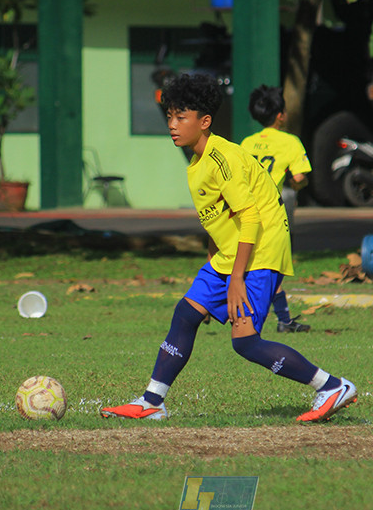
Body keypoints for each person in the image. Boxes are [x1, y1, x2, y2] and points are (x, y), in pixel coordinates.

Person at [100, 73, 356, 422]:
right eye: (170, 116)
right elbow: (217, 220)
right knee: (186, 313)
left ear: (204, 122)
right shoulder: (197, 163)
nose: (172, 125)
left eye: (181, 117)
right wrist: (213, 266)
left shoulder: (223, 158)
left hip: (261, 250)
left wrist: (235, 279)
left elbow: (250, 217)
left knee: (245, 342)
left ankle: (331, 386)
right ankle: (151, 402)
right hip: (231, 253)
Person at [240, 85, 313, 333]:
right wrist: (298, 184)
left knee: (254, 265)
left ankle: (284, 320)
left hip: (246, 211)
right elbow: (299, 178)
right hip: (271, 213)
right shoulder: (290, 142)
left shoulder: (247, 143)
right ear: (280, 116)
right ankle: (265, 320)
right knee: (273, 268)